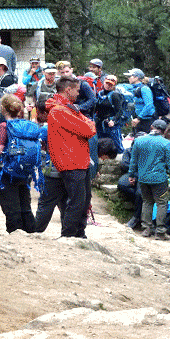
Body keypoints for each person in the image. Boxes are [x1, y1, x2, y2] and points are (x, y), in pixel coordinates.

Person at [45, 76, 97, 238]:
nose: (79, 93)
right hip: (71, 161)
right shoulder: (60, 110)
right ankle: (69, 235)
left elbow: (88, 125)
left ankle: (79, 233)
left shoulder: (68, 108)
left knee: (83, 200)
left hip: (78, 160)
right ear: (68, 90)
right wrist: (87, 122)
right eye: (77, 90)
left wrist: (86, 122)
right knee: (77, 201)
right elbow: (89, 129)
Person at [0, 94, 38, 233]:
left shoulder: (4, 127)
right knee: (25, 206)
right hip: (25, 170)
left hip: (7, 172)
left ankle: (15, 236)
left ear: (3, 109)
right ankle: (31, 233)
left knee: (11, 209)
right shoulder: (26, 125)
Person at [128, 119, 170, 241]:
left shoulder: (139, 141)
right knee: (161, 203)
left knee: (147, 202)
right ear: (164, 131)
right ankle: (160, 231)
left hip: (143, 178)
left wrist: (131, 175)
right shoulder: (166, 143)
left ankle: (146, 229)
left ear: (151, 127)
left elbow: (133, 160)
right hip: (159, 179)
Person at [95, 75, 125, 154]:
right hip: (100, 123)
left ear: (114, 85)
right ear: (104, 83)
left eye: (111, 84)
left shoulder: (115, 95)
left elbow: (119, 111)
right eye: (107, 83)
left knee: (117, 145)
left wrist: (113, 121)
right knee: (101, 144)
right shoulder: (100, 94)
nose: (108, 86)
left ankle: (121, 158)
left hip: (111, 124)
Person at [126, 68, 155, 134]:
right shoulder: (134, 88)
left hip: (147, 120)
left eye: (130, 76)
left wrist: (138, 118)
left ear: (136, 78)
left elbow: (149, 105)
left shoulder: (145, 89)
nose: (128, 78)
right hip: (139, 119)